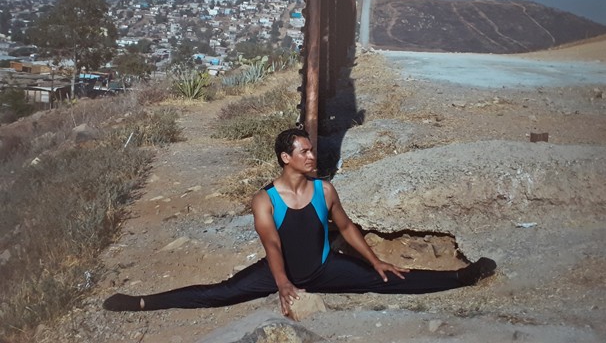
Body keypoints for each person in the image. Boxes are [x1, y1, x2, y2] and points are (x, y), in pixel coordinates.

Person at [103, 128, 496, 316]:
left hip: (325, 267)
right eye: (304, 151)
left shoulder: (324, 190)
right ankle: (140, 302)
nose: (312, 156)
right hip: (278, 273)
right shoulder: (264, 200)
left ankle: (462, 276)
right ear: (285, 158)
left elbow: (347, 228)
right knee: (218, 293)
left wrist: (374, 259)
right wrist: (282, 283)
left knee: (388, 279)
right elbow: (273, 245)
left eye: (311, 150)